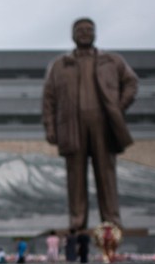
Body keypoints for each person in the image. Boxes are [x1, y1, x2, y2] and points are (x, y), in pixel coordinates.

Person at [42, 17, 138, 232]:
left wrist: (119, 106)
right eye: (80, 30)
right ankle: (77, 222)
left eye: (89, 29)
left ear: (95, 33)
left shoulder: (112, 61)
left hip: (103, 125)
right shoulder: (59, 65)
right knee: (75, 177)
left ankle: (111, 222)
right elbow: (48, 98)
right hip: (71, 126)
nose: (85, 33)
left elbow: (131, 82)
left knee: (106, 174)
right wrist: (50, 126)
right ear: (72, 35)